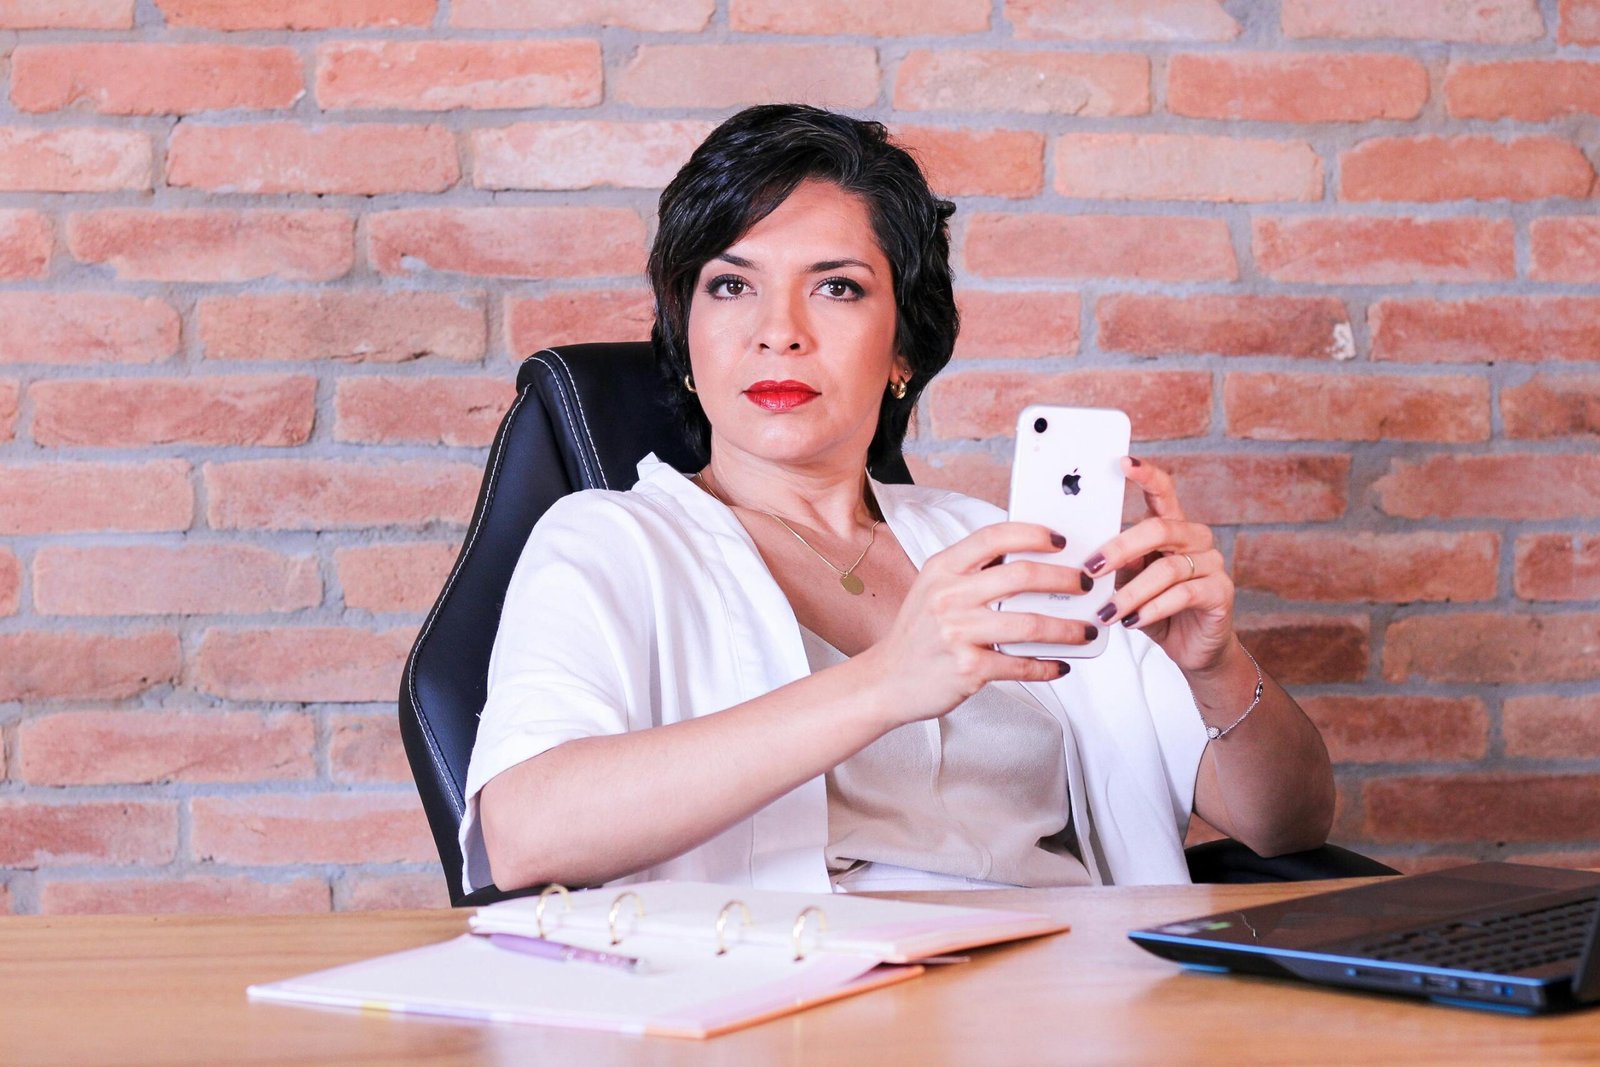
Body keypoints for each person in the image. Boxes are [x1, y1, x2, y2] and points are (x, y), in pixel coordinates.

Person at [461, 104, 1334, 896]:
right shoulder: (608, 541)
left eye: (836, 286)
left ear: (902, 351)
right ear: (685, 340)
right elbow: (524, 834)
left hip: (1073, 996)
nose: (779, 328)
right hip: (796, 1009)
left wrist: (1216, 668)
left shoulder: (1004, 547)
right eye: (731, 285)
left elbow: (1287, 824)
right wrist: (886, 682)